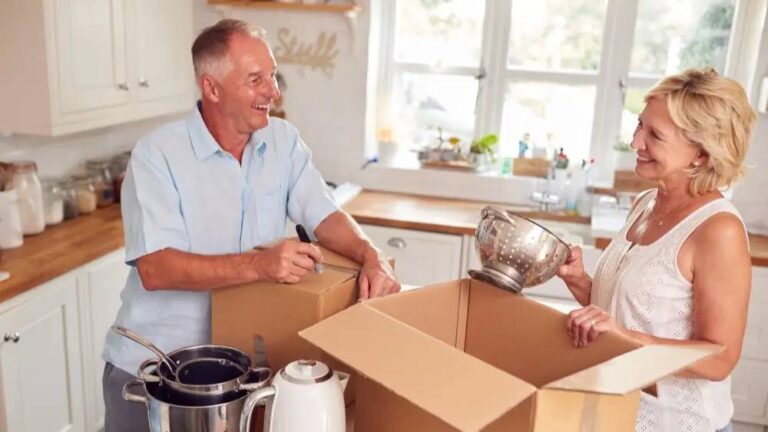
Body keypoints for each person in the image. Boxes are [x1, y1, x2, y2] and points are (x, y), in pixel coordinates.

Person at [101, 19, 400, 431]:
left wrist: (373, 256)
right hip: (156, 374)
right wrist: (260, 265)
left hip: (241, 378)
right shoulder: (157, 156)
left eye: (272, 75)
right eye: (256, 79)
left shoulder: (283, 142)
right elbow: (156, 269)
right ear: (211, 88)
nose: (272, 92)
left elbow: (323, 213)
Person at [556, 68, 756, 432]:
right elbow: (627, 316)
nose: (635, 143)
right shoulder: (647, 202)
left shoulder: (718, 230)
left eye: (654, 135)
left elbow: (720, 359)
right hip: (618, 414)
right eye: (639, 125)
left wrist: (627, 337)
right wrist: (579, 282)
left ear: (700, 154)